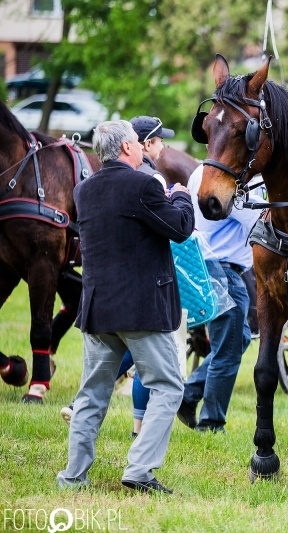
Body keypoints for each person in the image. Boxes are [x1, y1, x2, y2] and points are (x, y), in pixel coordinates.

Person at [56, 120, 194, 494]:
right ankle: (139, 469)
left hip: (98, 307)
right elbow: (180, 228)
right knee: (167, 387)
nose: (141, 146)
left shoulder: (83, 190)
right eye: (136, 141)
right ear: (128, 149)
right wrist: (180, 194)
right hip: (141, 309)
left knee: (91, 395)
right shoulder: (145, 185)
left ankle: (72, 477)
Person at [175, 165, 261, 433]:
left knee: (239, 339)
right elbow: (259, 221)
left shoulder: (199, 172)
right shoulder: (229, 181)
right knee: (228, 348)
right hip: (224, 270)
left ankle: (188, 395)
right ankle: (211, 423)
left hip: (207, 264)